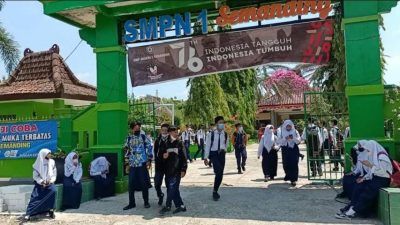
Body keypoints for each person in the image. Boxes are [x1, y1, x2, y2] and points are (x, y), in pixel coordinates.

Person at [336, 140, 393, 219]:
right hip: (375, 178)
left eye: (368, 150)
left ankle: (353, 211)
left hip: (383, 179)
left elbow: (383, 172)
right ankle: (351, 207)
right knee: (359, 187)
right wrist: (364, 178)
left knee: (367, 191)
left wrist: (370, 165)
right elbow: (370, 172)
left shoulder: (382, 157)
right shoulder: (374, 156)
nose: (368, 151)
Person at [123, 121, 153, 210]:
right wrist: (127, 161)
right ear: (132, 128)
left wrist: (149, 159)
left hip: (142, 164)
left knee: (144, 184)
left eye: (138, 127)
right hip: (132, 164)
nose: (137, 128)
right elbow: (126, 149)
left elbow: (150, 147)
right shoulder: (128, 138)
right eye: (135, 127)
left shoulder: (144, 137)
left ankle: (146, 202)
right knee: (131, 184)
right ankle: (131, 203)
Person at [159, 126, 188, 215]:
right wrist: (164, 157)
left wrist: (183, 169)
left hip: (177, 170)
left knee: (172, 187)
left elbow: (184, 157)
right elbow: (161, 155)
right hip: (168, 170)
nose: (176, 133)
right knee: (173, 188)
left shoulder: (180, 143)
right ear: (170, 132)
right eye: (175, 132)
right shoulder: (165, 143)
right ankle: (181, 206)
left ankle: (168, 206)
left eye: (177, 132)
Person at [24, 149, 57, 221]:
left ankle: (51, 210)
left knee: (53, 191)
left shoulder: (52, 162)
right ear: (43, 155)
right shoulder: (37, 164)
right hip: (40, 184)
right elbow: (35, 177)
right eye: (48, 153)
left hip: (49, 183)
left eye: (50, 153)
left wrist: (50, 181)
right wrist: (42, 182)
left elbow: (54, 174)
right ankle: (29, 213)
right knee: (35, 197)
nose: (50, 155)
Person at [204, 116, 229, 201]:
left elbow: (226, 145)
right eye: (220, 122)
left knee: (220, 174)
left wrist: (224, 150)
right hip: (214, 154)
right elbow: (207, 146)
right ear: (216, 124)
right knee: (218, 172)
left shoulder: (225, 134)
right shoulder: (210, 134)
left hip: (222, 154)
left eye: (223, 122)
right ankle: (215, 192)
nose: (222, 124)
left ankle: (215, 190)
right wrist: (205, 157)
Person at [278, 120, 301, 187]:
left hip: (294, 149)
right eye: (287, 126)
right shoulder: (281, 132)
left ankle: (293, 179)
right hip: (285, 149)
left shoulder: (295, 131)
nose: (289, 127)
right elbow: (279, 141)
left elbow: (298, 141)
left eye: (290, 126)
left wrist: (293, 138)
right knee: (286, 164)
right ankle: (288, 175)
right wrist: (285, 138)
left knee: (294, 163)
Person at [153, 123, 170, 206]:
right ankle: (160, 195)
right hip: (159, 166)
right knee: (156, 183)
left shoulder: (172, 140)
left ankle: (168, 201)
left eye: (166, 130)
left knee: (169, 184)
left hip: (169, 166)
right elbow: (155, 152)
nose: (164, 132)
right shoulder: (157, 140)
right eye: (163, 130)